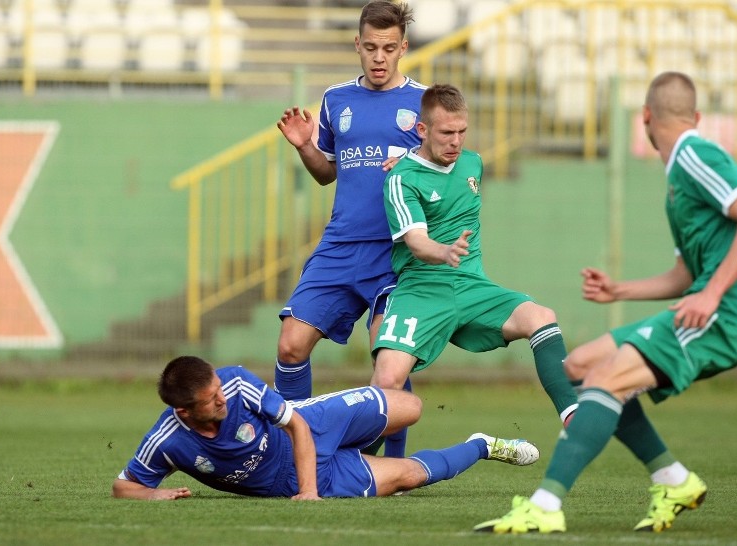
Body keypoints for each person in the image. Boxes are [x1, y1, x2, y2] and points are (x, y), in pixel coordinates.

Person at [475, 71, 737, 534]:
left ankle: (546, 504)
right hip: (709, 305)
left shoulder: (695, 153)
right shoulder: (679, 178)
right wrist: (621, 290)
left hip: (726, 313)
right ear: (693, 115)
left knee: (607, 378)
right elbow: (686, 275)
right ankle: (672, 479)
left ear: (646, 117)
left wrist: (713, 294)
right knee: (579, 365)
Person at [370, 84, 579, 447]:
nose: (456, 141)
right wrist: (444, 252)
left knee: (541, 317)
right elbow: (417, 243)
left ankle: (575, 418)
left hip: (471, 286)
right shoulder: (401, 178)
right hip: (422, 288)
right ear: (423, 130)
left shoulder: (473, 163)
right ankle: (348, 464)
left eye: (462, 131)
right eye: (446, 133)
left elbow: (443, 167)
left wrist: (457, 260)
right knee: (387, 381)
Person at [272, 1, 426, 453]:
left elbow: (447, 169)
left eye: (389, 48)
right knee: (290, 346)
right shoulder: (336, 99)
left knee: (390, 365)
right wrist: (304, 147)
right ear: (357, 45)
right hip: (340, 247)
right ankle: (297, 451)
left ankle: (391, 466)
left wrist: (415, 164)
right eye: (371, 47)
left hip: (397, 251)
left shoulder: (423, 102)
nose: (379, 58)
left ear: (404, 48)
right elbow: (327, 173)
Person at [112, 355, 539, 501]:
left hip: (309, 426)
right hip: (293, 478)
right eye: (212, 400)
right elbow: (123, 486)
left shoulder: (236, 381)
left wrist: (310, 494)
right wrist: (155, 492)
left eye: (219, 388)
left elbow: (295, 424)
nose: (223, 397)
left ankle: (369, 447)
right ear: (186, 412)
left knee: (412, 407)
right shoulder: (167, 442)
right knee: (412, 475)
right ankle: (483, 445)